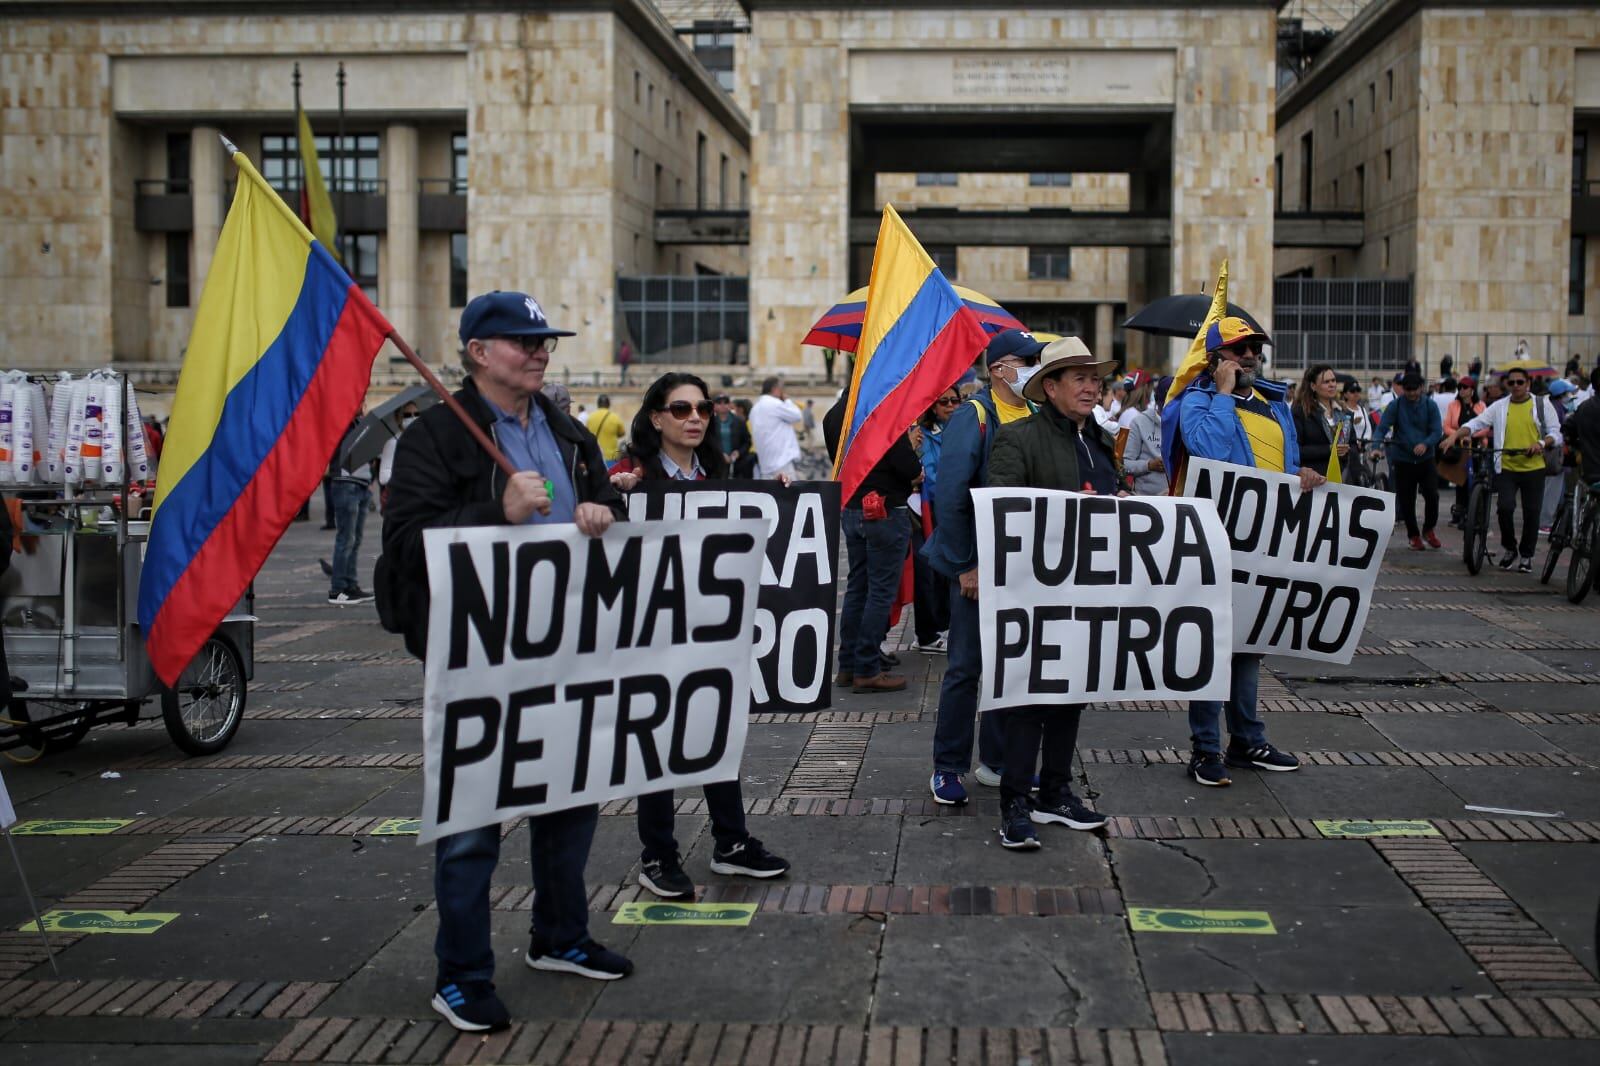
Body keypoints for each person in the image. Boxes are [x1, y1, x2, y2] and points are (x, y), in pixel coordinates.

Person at [382, 290, 632, 1033]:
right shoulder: (436, 437)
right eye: (522, 340)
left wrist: (598, 513)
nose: (539, 351)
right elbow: (403, 549)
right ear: (478, 353)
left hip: (565, 649)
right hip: (479, 660)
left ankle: (560, 936)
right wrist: (499, 513)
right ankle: (460, 975)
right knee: (472, 824)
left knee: (570, 803)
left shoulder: (565, 431)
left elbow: (598, 513)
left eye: (544, 340)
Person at [605, 372, 791, 898]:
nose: (694, 418)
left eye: (702, 409)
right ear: (656, 417)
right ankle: (657, 855)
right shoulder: (629, 476)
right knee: (657, 739)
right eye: (681, 409)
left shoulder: (715, 476)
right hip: (650, 635)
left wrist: (774, 499)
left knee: (717, 733)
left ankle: (731, 843)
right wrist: (616, 497)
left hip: (709, 631)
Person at [1165, 316, 1318, 787]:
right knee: (1211, 646)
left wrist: (1303, 477)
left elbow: (1284, 464)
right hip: (1214, 542)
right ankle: (1205, 749)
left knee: (1250, 643)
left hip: (1265, 542)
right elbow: (1206, 448)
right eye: (1238, 350)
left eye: (1254, 348)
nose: (1250, 356)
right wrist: (1224, 393)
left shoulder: (1276, 405)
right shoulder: (1197, 402)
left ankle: (1247, 740)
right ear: (1216, 361)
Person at [983, 336, 1116, 849]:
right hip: (1036, 594)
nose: (1090, 386)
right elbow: (1002, 511)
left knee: (1072, 695)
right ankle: (1015, 801)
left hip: (1090, 591)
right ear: (1051, 387)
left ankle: (1056, 792)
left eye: (1095, 378)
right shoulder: (1019, 439)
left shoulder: (1101, 442)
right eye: (1079, 378)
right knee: (1028, 698)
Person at [922, 329, 1042, 805]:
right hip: (978, 566)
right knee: (966, 668)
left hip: (1024, 568)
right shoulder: (973, 416)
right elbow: (950, 497)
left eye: (1036, 359)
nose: (1033, 367)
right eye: (1024, 360)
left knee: (1011, 666)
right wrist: (966, 565)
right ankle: (948, 767)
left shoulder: (1036, 414)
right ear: (997, 369)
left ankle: (996, 761)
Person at [823, 394, 920, 695]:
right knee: (879, 591)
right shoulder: (883, 411)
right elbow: (910, 470)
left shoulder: (835, 413)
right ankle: (867, 668)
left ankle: (848, 666)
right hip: (884, 510)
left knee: (857, 587)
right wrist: (912, 445)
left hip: (852, 507)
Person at [1447, 368, 1562, 572]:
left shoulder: (1542, 405)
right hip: (1507, 467)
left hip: (1534, 467)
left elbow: (1556, 432)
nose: (1516, 386)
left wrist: (1542, 443)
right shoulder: (1500, 406)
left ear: (1528, 383)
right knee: (1505, 508)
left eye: (1520, 382)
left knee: (1532, 512)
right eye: (1512, 383)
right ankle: (1510, 548)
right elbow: (1476, 423)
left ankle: (1526, 555)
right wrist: (1454, 436)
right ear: (1507, 385)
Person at [910, 388, 958, 654]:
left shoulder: (958, 432)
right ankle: (927, 632)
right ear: (932, 407)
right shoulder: (924, 435)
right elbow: (929, 473)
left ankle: (943, 624)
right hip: (928, 510)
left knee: (946, 570)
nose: (950, 406)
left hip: (950, 509)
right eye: (944, 402)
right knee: (928, 571)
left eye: (955, 400)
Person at [1375, 370, 1444, 550]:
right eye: (1408, 389)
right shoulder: (1396, 406)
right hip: (1403, 459)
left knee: (1432, 495)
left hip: (1426, 459)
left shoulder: (1430, 405)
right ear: (1402, 389)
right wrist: (1375, 447)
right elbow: (1382, 427)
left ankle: (1429, 529)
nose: (1412, 393)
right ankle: (1413, 535)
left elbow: (1437, 431)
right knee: (1407, 499)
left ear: (1421, 388)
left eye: (1415, 389)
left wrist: (1426, 444)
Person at [327, 410, 375, 605]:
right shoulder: (341, 422)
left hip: (362, 482)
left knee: (355, 539)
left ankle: (351, 584)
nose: (362, 402)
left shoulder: (361, 423)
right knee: (346, 538)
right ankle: (338, 588)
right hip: (345, 482)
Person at [1441, 375, 1486, 526]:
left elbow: (1485, 427)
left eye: (1465, 387)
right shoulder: (1453, 405)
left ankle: (1474, 514)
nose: (1462, 390)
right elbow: (1447, 425)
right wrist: (1457, 437)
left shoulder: (1481, 406)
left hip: (1476, 447)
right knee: (1460, 481)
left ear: (1472, 390)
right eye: (1460, 387)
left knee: (1476, 481)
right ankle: (1458, 514)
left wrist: (1471, 436)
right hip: (1459, 448)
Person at [1290, 364, 1346, 480]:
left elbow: (1352, 444)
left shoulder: (1343, 411)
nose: (1332, 385)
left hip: (1342, 480)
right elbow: (1296, 450)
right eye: (1326, 382)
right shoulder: (1300, 412)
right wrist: (1329, 449)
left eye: (1333, 380)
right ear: (1313, 386)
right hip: (1314, 480)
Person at [1121, 373, 1170, 495]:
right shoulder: (1139, 422)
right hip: (1145, 500)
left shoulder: (1184, 423)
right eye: (1166, 404)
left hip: (1177, 500)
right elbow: (1124, 465)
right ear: (1158, 402)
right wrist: (1149, 465)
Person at [750, 376, 804, 479]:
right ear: (775, 389)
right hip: (782, 463)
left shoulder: (755, 408)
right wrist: (787, 400)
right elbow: (797, 415)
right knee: (788, 494)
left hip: (765, 465)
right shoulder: (775, 404)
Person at [377, 400, 420, 511]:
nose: (413, 417)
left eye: (416, 414)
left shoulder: (422, 440)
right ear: (398, 419)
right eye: (407, 415)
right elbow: (383, 477)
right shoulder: (393, 443)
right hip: (400, 502)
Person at [1339, 380, 1375, 487]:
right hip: (1348, 449)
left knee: (1368, 477)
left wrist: (1365, 441)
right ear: (1345, 394)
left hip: (1362, 449)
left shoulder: (1362, 410)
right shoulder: (1342, 410)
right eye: (1352, 391)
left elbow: (1368, 429)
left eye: (1358, 390)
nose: (1356, 393)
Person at [709, 392, 753, 477]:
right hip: (716, 466)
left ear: (730, 405)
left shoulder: (739, 421)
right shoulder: (710, 423)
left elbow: (747, 442)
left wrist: (738, 453)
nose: (723, 405)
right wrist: (719, 454)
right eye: (719, 402)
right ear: (714, 406)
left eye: (726, 402)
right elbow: (708, 442)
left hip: (737, 465)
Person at [584, 394, 626, 462]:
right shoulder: (615, 418)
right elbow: (622, 433)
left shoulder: (590, 417)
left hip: (595, 456)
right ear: (608, 404)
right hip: (611, 457)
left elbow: (586, 434)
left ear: (598, 404)